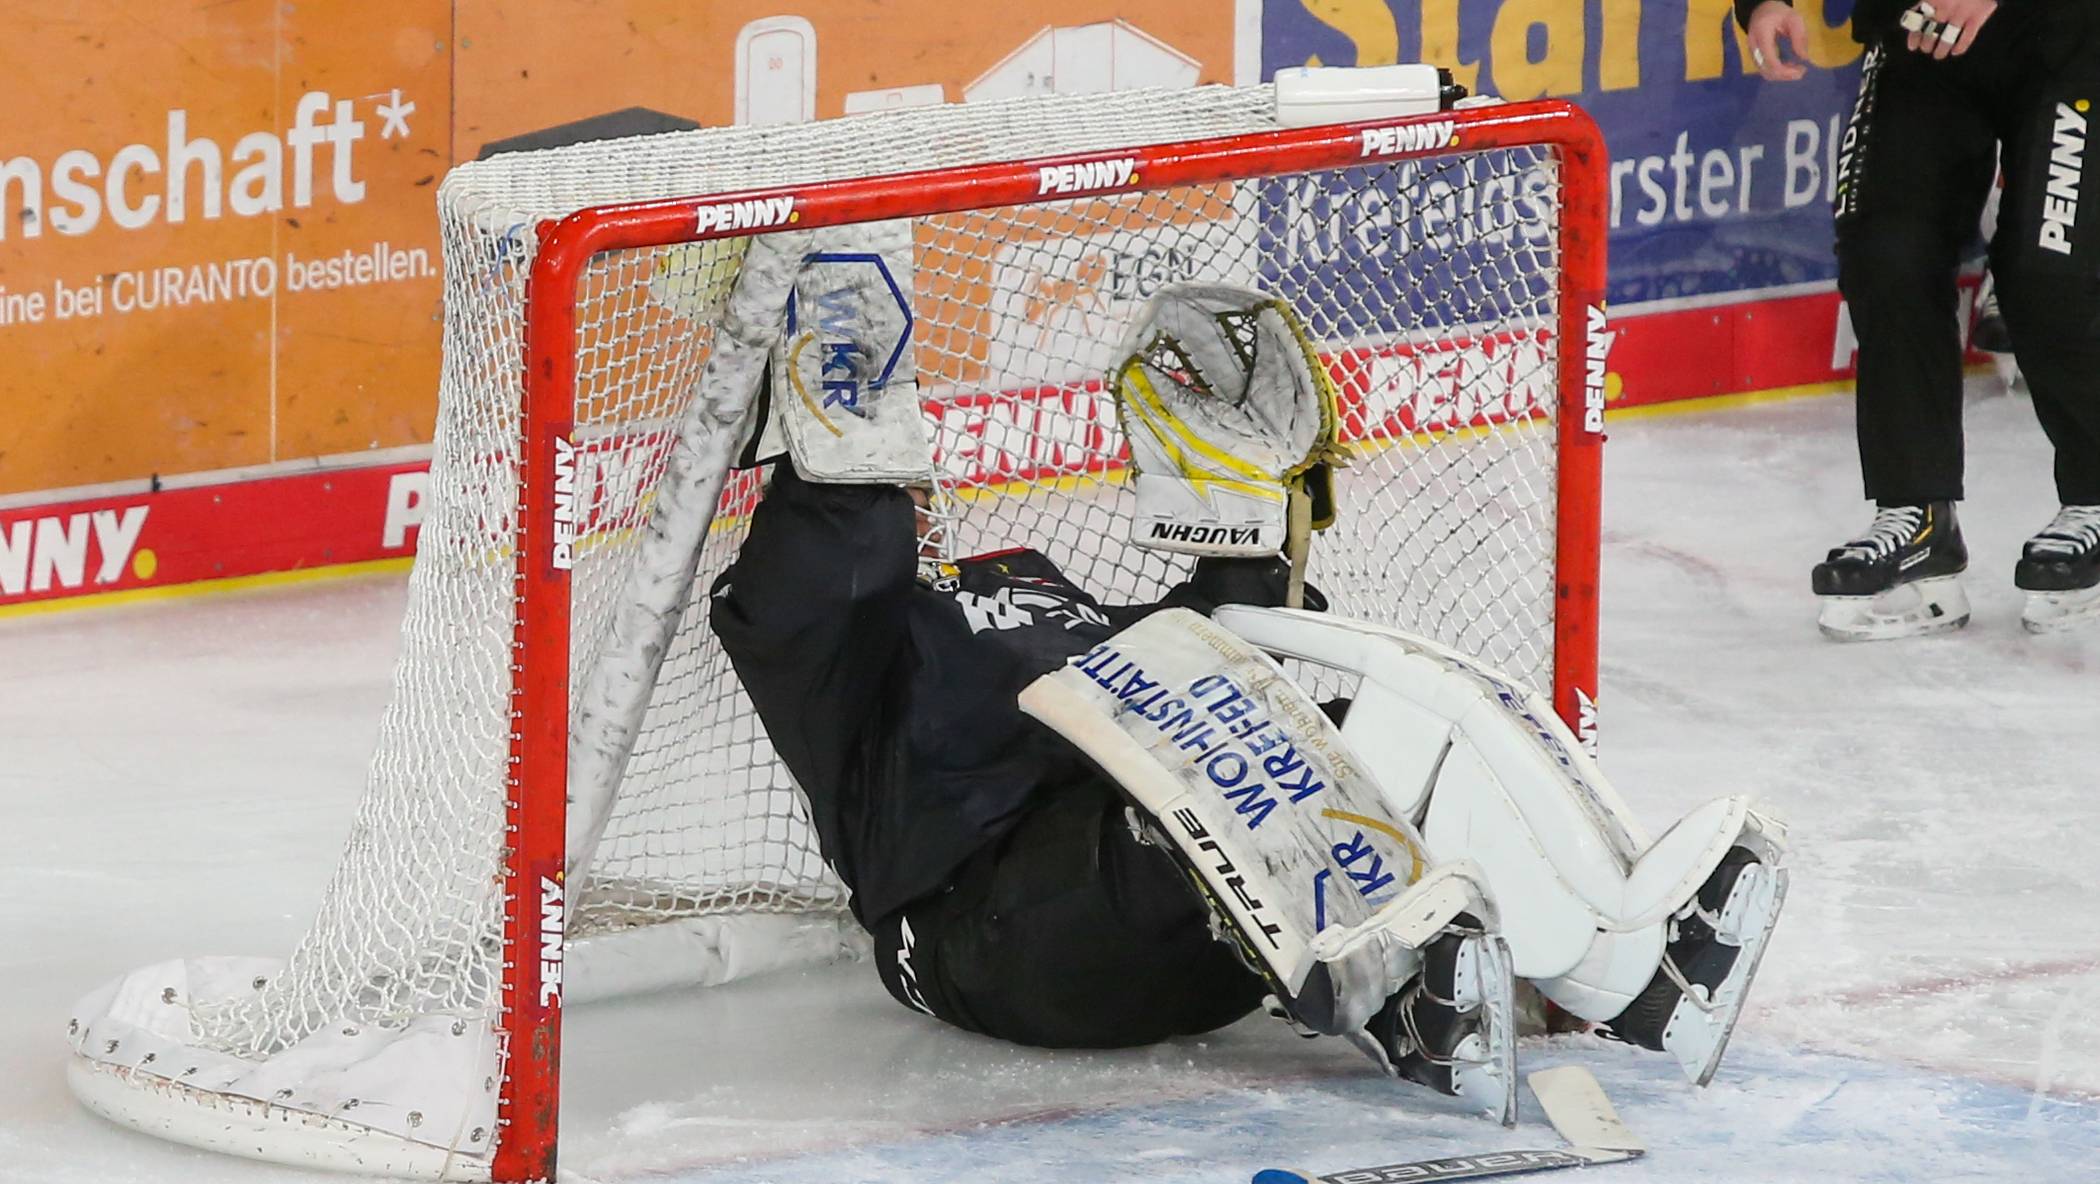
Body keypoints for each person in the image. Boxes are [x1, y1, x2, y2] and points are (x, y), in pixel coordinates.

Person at [709, 275, 1787, 1125]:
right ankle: (1413, 1000)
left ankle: (1633, 974)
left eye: (915, 481)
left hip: (1201, 925)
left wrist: (1250, 509)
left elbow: (1227, 651)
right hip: (987, 939)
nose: (918, 498)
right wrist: (840, 453)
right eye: (899, 489)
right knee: (1204, 768)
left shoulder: (1050, 589)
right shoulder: (848, 649)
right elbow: (816, 578)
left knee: (1384, 724)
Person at [1742, 0, 2100, 636]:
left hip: (2070, 37)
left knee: (2044, 272)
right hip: (1919, 32)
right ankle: (1918, 518)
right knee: (1887, 257)